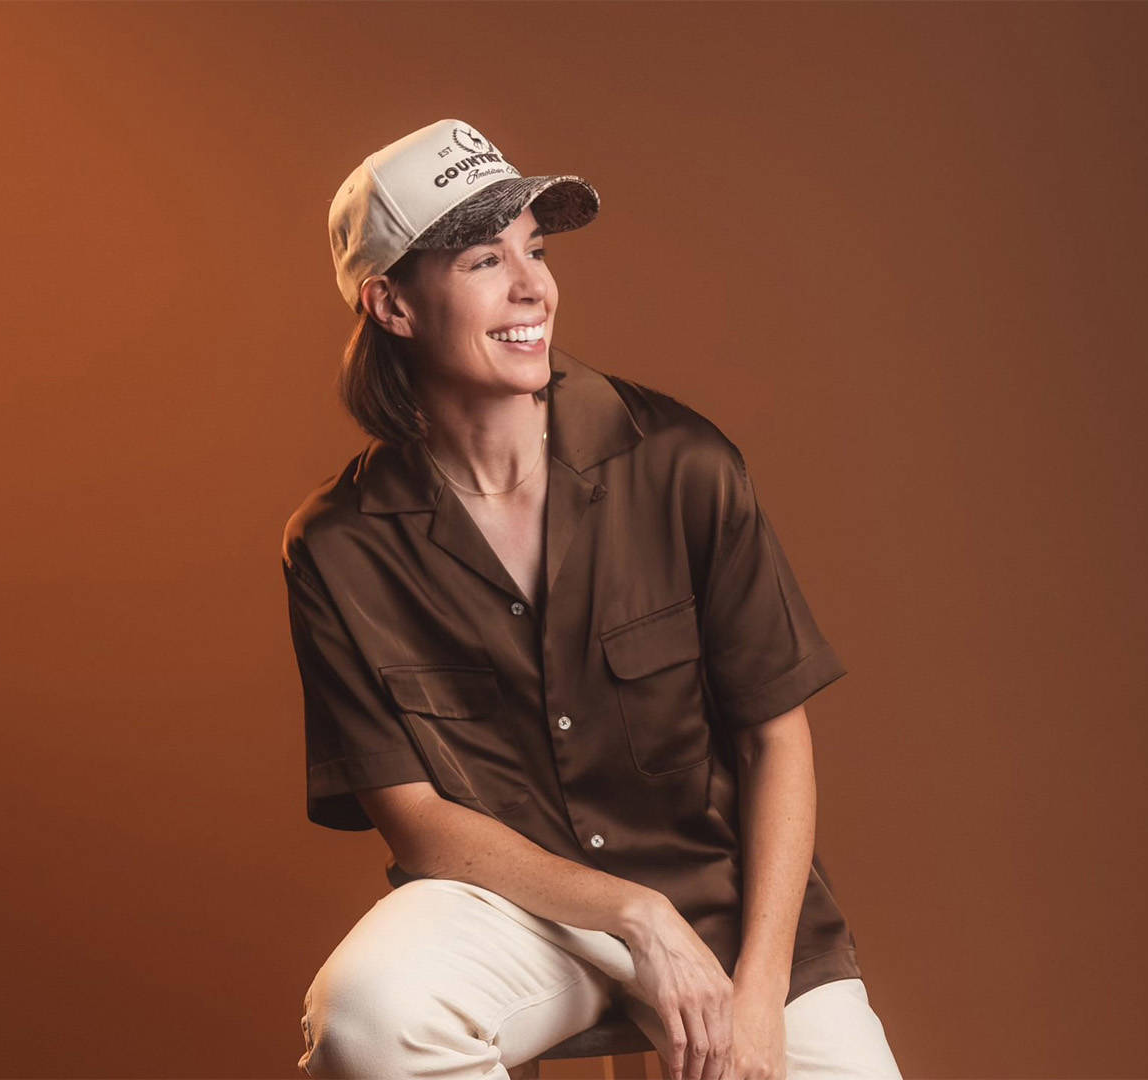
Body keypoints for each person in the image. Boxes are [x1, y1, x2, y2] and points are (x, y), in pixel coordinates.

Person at [284, 117, 903, 1080]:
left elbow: (777, 739)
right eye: (486, 259)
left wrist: (759, 992)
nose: (534, 286)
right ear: (393, 306)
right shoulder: (338, 546)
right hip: (511, 911)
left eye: (535, 249)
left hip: (722, 897)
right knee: (369, 1018)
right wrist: (630, 913)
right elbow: (415, 815)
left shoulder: (683, 466)